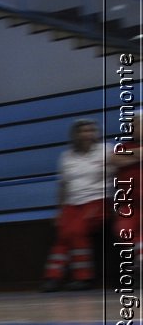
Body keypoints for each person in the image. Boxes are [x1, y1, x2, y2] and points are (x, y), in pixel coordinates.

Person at [41, 118, 107, 291]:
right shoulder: (66, 156)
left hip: (99, 199)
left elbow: (127, 158)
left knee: (76, 231)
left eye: (91, 131)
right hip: (72, 202)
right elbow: (63, 185)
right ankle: (53, 277)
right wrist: (60, 210)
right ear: (75, 135)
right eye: (83, 131)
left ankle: (84, 278)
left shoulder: (106, 150)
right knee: (63, 234)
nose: (87, 134)